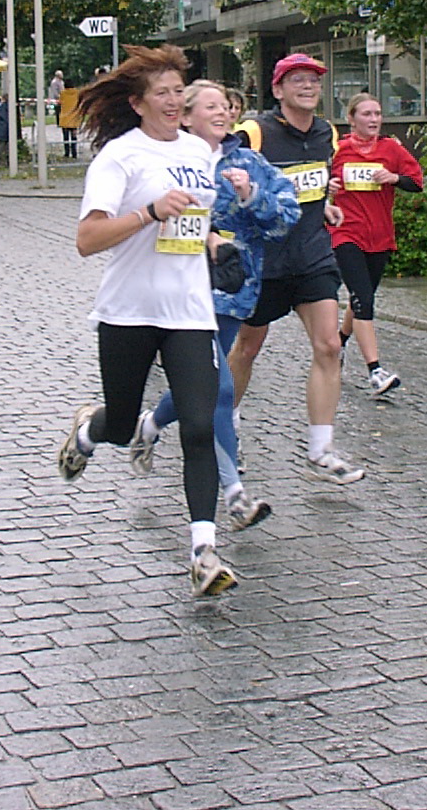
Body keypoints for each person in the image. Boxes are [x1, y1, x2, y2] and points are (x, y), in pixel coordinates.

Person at [55, 45, 236, 597]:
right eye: (163, 93)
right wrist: (149, 213)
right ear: (137, 103)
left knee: (201, 425)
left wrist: (214, 243)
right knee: (122, 421)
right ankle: (90, 430)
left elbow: (193, 219)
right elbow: (88, 240)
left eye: (180, 91)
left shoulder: (199, 152)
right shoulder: (120, 158)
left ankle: (203, 552)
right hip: (129, 311)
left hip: (188, 311)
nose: (174, 101)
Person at [130, 80, 300, 532]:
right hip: (177, 292)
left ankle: (151, 423)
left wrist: (251, 195)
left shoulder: (248, 162)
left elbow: (287, 216)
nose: (223, 113)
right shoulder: (169, 162)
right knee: (220, 390)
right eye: (211, 107)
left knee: (202, 382)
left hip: (230, 291)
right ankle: (234, 496)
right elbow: (139, 216)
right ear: (185, 116)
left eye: (226, 106)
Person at [226, 53, 363, 485]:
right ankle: (225, 427)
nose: (307, 87)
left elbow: (313, 182)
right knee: (246, 349)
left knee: (329, 345)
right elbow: (228, 183)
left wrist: (326, 206)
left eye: (314, 81)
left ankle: (321, 450)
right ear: (278, 89)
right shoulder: (254, 133)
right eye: (297, 80)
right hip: (264, 261)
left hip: (312, 256)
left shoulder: (328, 134)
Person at [327, 93, 424, 397]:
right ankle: (375, 370)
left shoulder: (390, 149)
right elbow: (315, 180)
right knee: (363, 298)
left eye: (377, 114)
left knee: (362, 296)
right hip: (345, 232)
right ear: (352, 119)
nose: (373, 120)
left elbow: (417, 181)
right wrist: (326, 185)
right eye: (366, 114)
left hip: (380, 235)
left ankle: (339, 343)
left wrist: (394, 177)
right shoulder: (337, 150)